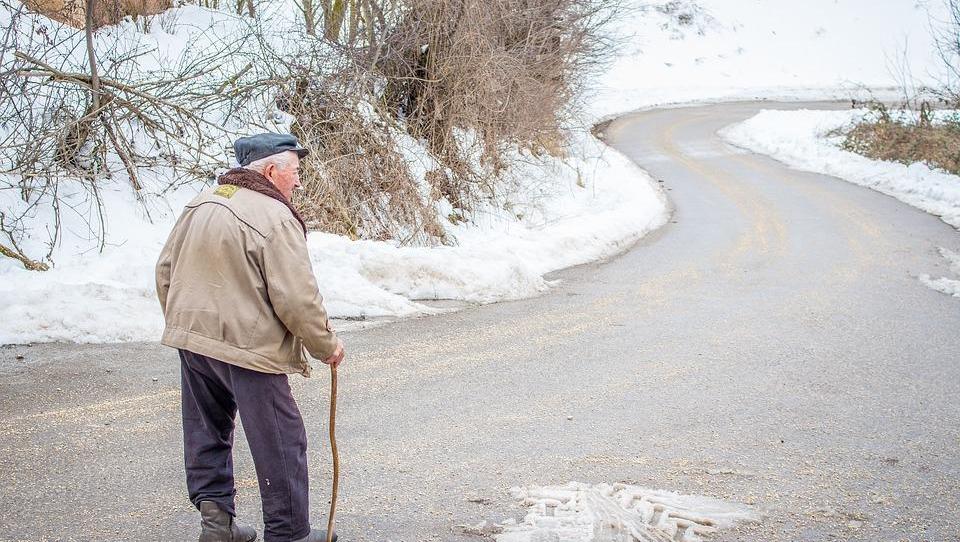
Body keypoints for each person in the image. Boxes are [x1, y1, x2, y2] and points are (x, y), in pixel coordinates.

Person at [155, 133, 345, 542]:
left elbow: (165, 270)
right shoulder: (274, 217)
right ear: (272, 170)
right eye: (295, 172)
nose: (297, 182)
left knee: (207, 431)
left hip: (194, 342)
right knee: (281, 440)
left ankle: (217, 525)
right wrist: (326, 345)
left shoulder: (201, 203)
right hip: (248, 349)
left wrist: (186, 323)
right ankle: (289, 534)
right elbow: (297, 298)